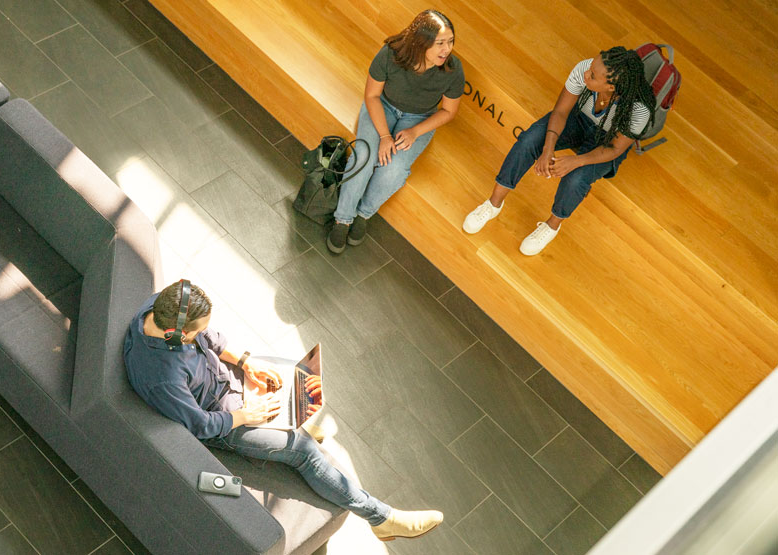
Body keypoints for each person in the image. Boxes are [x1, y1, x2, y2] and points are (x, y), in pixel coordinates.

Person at [124, 281, 443, 542]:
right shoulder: (161, 378)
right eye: (195, 332)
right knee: (304, 452)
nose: (203, 333)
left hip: (225, 380)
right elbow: (199, 425)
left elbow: (210, 339)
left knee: (287, 378)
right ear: (173, 335)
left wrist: (248, 362)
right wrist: (247, 415)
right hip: (223, 421)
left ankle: (290, 420)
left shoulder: (164, 306)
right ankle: (382, 518)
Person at [463, 46, 656, 255]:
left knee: (576, 179)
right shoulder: (585, 68)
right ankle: (493, 204)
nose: (585, 73)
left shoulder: (638, 109)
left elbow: (614, 149)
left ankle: (552, 225)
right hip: (577, 119)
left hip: (605, 141)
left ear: (611, 86)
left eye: (592, 75)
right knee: (529, 141)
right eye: (590, 67)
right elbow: (561, 111)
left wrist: (576, 161)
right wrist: (547, 149)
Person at [327, 9, 465, 254]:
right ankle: (343, 218)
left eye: (451, 42)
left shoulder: (453, 69)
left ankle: (364, 213)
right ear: (421, 42)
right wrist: (384, 136)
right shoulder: (390, 54)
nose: (447, 49)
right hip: (383, 106)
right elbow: (371, 95)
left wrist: (414, 132)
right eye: (440, 43)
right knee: (365, 156)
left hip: (419, 118)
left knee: (394, 169)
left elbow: (448, 112)